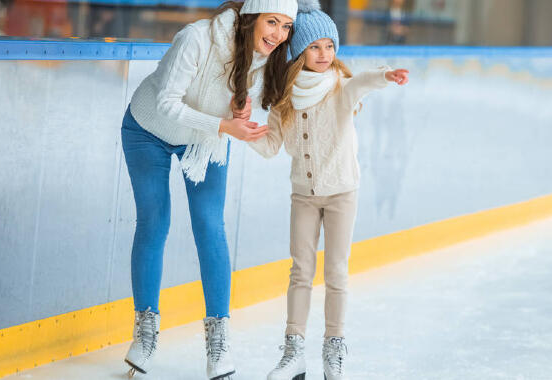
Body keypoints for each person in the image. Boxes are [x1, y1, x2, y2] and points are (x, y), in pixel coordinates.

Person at [119, 0, 298, 379]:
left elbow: (234, 98)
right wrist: (223, 125)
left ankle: (219, 340)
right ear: (251, 18)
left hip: (203, 139)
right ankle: (146, 332)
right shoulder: (196, 38)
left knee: (209, 227)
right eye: (272, 21)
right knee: (154, 222)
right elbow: (168, 102)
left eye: (286, 26)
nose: (278, 34)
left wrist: (237, 114)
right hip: (148, 128)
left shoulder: (265, 57)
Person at [244, 1, 409, 379]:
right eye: (315, 47)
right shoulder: (283, 100)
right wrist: (245, 130)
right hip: (303, 194)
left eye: (330, 47)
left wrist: (386, 76)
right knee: (300, 272)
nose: (324, 55)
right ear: (300, 51)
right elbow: (270, 146)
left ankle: (333, 350)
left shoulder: (341, 89)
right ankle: (294, 351)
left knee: (336, 272)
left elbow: (363, 81)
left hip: (341, 193)